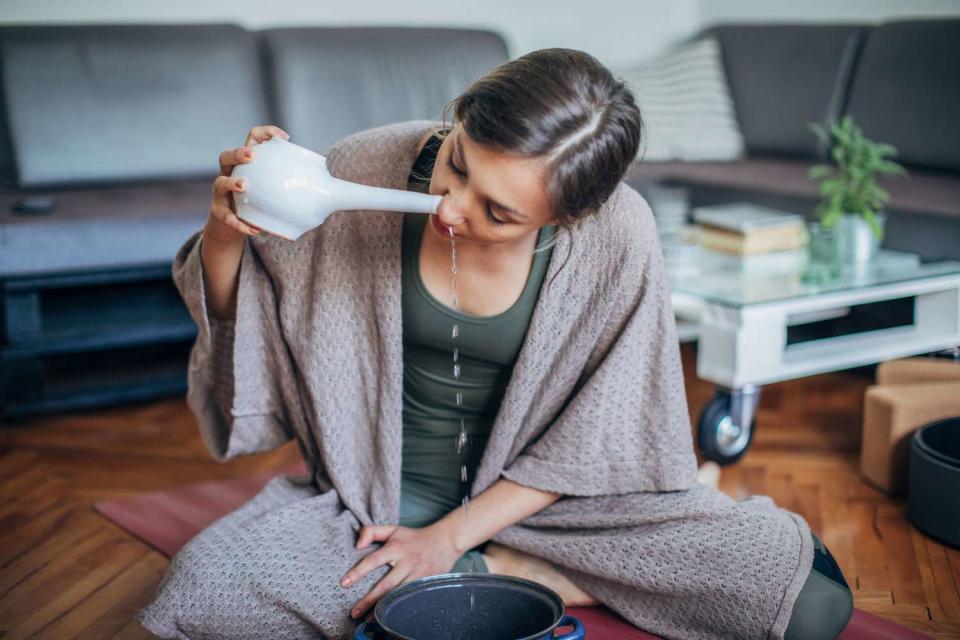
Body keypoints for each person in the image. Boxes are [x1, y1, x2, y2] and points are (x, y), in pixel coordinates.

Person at [140, 48, 852, 639]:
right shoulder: (367, 165)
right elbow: (256, 317)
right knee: (203, 595)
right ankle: (501, 578)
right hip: (368, 505)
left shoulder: (617, 236)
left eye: (499, 213)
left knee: (810, 601)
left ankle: (502, 569)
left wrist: (449, 540)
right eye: (457, 166)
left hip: (552, 513)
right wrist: (227, 232)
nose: (452, 210)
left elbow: (598, 436)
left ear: (569, 217)